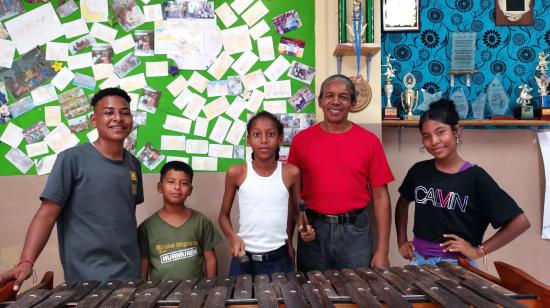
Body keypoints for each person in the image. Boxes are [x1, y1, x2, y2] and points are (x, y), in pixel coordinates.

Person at [0, 88, 143, 289]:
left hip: (130, 275)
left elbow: (125, 216)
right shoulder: (71, 159)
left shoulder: (134, 165)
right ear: (94, 120)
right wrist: (26, 261)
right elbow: (47, 215)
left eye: (125, 112)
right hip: (87, 279)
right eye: (109, 112)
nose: (118, 118)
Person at [395, 99, 530, 265]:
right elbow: (402, 204)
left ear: (456, 131)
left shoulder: (475, 177)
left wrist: (478, 251)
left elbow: (520, 222)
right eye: (426, 136)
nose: (434, 141)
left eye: (440, 132)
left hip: (459, 267)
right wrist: (401, 240)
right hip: (420, 262)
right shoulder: (418, 171)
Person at [288, 74, 394, 271]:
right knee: (313, 294)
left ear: (352, 103)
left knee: (358, 293)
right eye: (329, 95)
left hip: (356, 232)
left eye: (343, 97)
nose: (335, 101)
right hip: (313, 231)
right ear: (320, 101)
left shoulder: (369, 142)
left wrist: (382, 251)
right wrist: (289, 240)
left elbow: (380, 197)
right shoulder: (301, 141)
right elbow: (292, 195)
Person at [218, 111, 302, 277]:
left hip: (279, 259)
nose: (264, 140)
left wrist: (303, 228)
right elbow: (223, 216)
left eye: (270, 134)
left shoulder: (291, 173)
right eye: (257, 134)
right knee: (242, 303)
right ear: (249, 140)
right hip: (244, 260)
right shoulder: (237, 172)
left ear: (280, 139)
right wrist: (233, 238)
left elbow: (298, 212)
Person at [138, 161, 222, 281]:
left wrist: (210, 287)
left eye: (183, 183)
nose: (177, 187)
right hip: (160, 295)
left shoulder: (201, 222)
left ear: (190, 190)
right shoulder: (146, 228)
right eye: (171, 182)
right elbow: (144, 264)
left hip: (195, 293)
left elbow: (210, 258)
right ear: (160, 187)